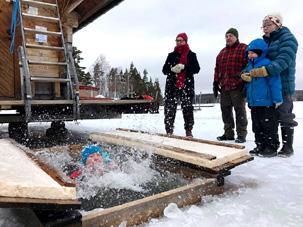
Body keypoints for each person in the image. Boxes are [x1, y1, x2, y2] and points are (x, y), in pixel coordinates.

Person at [249, 14, 298, 157]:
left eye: (268, 24)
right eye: (263, 25)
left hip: (283, 84)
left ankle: (288, 147)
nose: (265, 28)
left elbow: (284, 60)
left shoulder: (288, 39)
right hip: (268, 85)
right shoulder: (265, 42)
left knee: (285, 115)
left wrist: (265, 70)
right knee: (269, 118)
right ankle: (269, 145)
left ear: (278, 24)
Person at [241, 38, 282, 157]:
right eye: (248, 53)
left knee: (268, 126)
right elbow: (249, 86)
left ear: (260, 52)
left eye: (253, 52)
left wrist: (277, 99)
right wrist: (244, 76)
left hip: (267, 102)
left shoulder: (267, 64)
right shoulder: (249, 66)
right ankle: (260, 145)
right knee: (257, 126)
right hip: (254, 103)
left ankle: (271, 147)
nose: (250, 55)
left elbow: (275, 82)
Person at [213, 28, 248, 143]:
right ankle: (228, 133)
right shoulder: (222, 52)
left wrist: (245, 81)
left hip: (238, 85)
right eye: (227, 36)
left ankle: (241, 134)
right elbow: (217, 69)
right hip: (225, 86)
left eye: (231, 36)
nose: (228, 38)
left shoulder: (243, 48)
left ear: (236, 37)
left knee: (240, 110)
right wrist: (216, 82)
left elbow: (248, 65)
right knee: (225, 111)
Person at [162, 33, 200, 137]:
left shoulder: (191, 55)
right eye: (177, 40)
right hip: (172, 85)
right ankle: (169, 130)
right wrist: (171, 69)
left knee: (187, 108)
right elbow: (164, 70)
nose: (178, 42)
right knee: (169, 108)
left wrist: (184, 67)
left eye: (181, 40)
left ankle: (188, 130)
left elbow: (196, 69)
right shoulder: (171, 55)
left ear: (185, 41)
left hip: (186, 85)